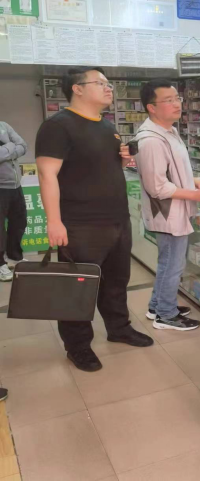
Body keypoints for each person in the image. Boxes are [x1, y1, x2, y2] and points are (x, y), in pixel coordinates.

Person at [35, 66, 153, 373]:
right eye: (99, 83)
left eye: (107, 83)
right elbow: (47, 175)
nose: (108, 87)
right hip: (80, 223)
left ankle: (119, 328)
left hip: (117, 219)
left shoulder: (107, 125)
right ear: (77, 89)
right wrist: (54, 221)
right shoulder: (58, 126)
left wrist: (123, 159)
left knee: (116, 281)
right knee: (78, 288)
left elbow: (102, 167)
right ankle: (77, 345)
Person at [134, 79, 200, 332]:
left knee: (169, 263)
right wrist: (193, 194)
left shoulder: (169, 132)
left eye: (177, 98)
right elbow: (157, 187)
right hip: (167, 213)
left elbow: (173, 170)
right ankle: (166, 315)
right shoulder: (151, 141)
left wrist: (193, 181)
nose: (177, 104)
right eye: (168, 100)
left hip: (174, 210)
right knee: (172, 265)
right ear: (152, 107)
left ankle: (157, 306)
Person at [0, 122, 28, 282]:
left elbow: (23, 146)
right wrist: (11, 146)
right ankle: (0, 264)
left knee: (19, 222)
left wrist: (6, 150)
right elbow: (15, 147)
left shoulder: (3, 125)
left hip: (15, 185)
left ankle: (14, 256)